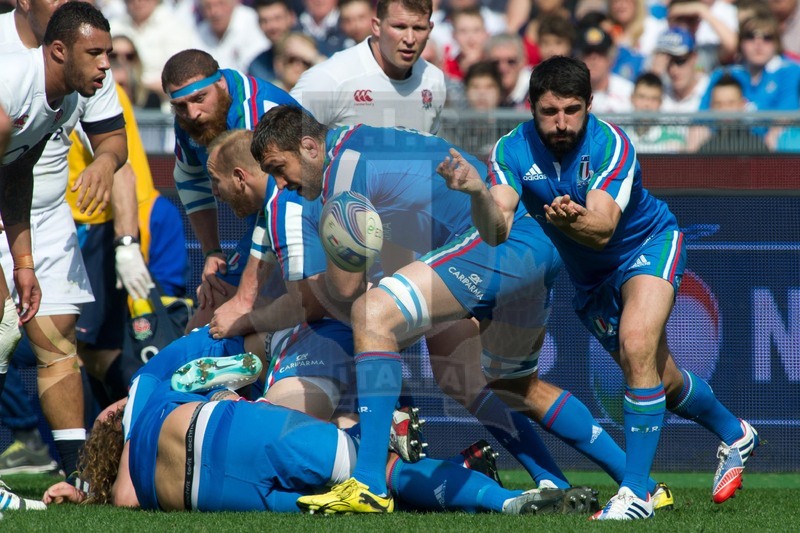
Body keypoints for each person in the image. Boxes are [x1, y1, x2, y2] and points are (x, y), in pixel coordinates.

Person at [250, 104, 673, 515]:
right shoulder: (361, 143)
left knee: (370, 314)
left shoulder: (341, 172)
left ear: (309, 147)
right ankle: (606, 484)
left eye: (276, 167)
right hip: (533, 241)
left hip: (495, 241)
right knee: (495, 382)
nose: (280, 183)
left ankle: (368, 484)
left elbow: (344, 289)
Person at [436, 55, 760, 519]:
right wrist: (478, 195)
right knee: (659, 377)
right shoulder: (510, 151)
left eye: (572, 110)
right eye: (549, 112)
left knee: (636, 343)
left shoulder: (613, 144)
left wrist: (576, 218)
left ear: (589, 104)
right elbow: (496, 230)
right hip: (592, 280)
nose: (561, 122)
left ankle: (636, 493)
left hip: (647, 246)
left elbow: (604, 227)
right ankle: (735, 432)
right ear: (531, 107)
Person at [41, 327, 588, 515]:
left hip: (213, 494)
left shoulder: (126, 481)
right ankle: (505, 500)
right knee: (380, 475)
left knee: (371, 498)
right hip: (224, 431)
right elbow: (240, 367)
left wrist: (82, 486)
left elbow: (127, 503)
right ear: (112, 415)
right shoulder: (147, 389)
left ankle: (452, 470)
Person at [0, 0, 124, 510]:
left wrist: (22, 264)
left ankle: (81, 477)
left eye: (107, 54)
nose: (105, 66)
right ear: (58, 51)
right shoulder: (12, 84)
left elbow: (14, 176)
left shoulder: (68, 98)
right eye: (94, 54)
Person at [160, 48, 299, 330]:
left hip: (299, 219)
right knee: (215, 317)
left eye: (200, 98)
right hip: (268, 224)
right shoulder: (188, 117)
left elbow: (276, 199)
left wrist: (244, 297)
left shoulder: (255, 114)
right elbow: (188, 178)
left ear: (220, 83)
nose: (193, 113)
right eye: (181, 105)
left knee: (212, 319)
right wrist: (212, 251)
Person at [290, 0, 446, 133]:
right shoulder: (330, 77)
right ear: (376, 26)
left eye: (419, 28)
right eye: (399, 27)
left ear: (430, 29)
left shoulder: (434, 80)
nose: (410, 39)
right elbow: (277, 144)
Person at [694, 74, 770, 154]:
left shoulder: (757, 148)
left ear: (742, 104)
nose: (725, 110)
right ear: (711, 107)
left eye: (731, 103)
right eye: (719, 104)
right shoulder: (706, 150)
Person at [197, 0, 269, 73]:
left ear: (234, 2)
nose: (214, 11)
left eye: (220, 4)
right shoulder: (200, 31)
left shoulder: (252, 20)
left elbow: (259, 65)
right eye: (208, 6)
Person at [576, 24, 633, 113]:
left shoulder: (628, 92)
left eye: (600, 52)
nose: (593, 58)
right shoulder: (569, 92)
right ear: (579, 58)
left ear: (611, 58)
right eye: (587, 52)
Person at [627, 72, 686, 153]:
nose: (647, 104)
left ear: (660, 102)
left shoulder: (674, 141)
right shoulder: (619, 136)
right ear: (632, 98)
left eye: (653, 99)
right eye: (642, 97)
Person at [654, 27, 709, 112]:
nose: (673, 70)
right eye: (668, 63)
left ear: (694, 58)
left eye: (680, 61)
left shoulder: (710, 90)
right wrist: (654, 75)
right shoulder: (661, 92)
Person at [247, 0, 300, 82]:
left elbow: (322, 93)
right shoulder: (258, 65)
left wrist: (313, 58)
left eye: (277, 18)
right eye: (265, 20)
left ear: (291, 17)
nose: (272, 26)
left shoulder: (318, 49)